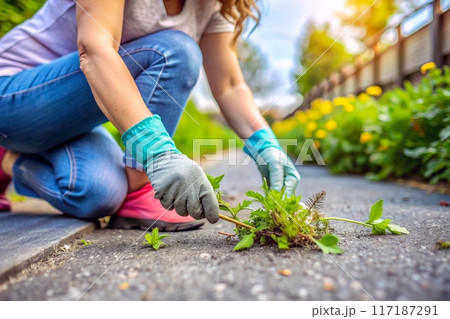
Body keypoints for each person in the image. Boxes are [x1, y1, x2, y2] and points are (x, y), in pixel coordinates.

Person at [0, 0, 300, 231]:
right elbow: (95, 50)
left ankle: (8, 161)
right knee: (176, 50)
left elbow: (230, 85)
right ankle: (143, 183)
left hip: (70, 119)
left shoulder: (213, 3)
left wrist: (265, 144)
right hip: (14, 95)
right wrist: (157, 152)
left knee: (97, 195)